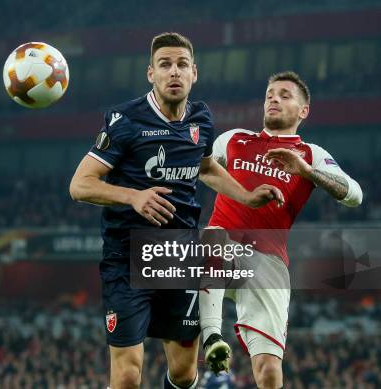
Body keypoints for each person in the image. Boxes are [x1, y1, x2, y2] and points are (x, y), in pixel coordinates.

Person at [69, 32, 284, 389]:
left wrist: (247, 196)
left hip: (180, 256)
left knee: (185, 373)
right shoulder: (125, 120)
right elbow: (80, 185)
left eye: (182, 65)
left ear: (194, 73)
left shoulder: (201, 119)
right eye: (165, 65)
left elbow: (207, 168)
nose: (174, 72)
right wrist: (132, 197)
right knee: (126, 374)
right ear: (150, 73)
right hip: (128, 256)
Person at [199, 71, 363, 388]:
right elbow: (198, 169)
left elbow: (354, 195)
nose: (274, 98)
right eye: (270, 94)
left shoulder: (311, 154)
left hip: (268, 260)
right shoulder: (233, 139)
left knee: (270, 372)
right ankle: (212, 336)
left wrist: (306, 171)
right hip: (221, 246)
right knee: (213, 236)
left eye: (285, 95)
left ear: (304, 111)